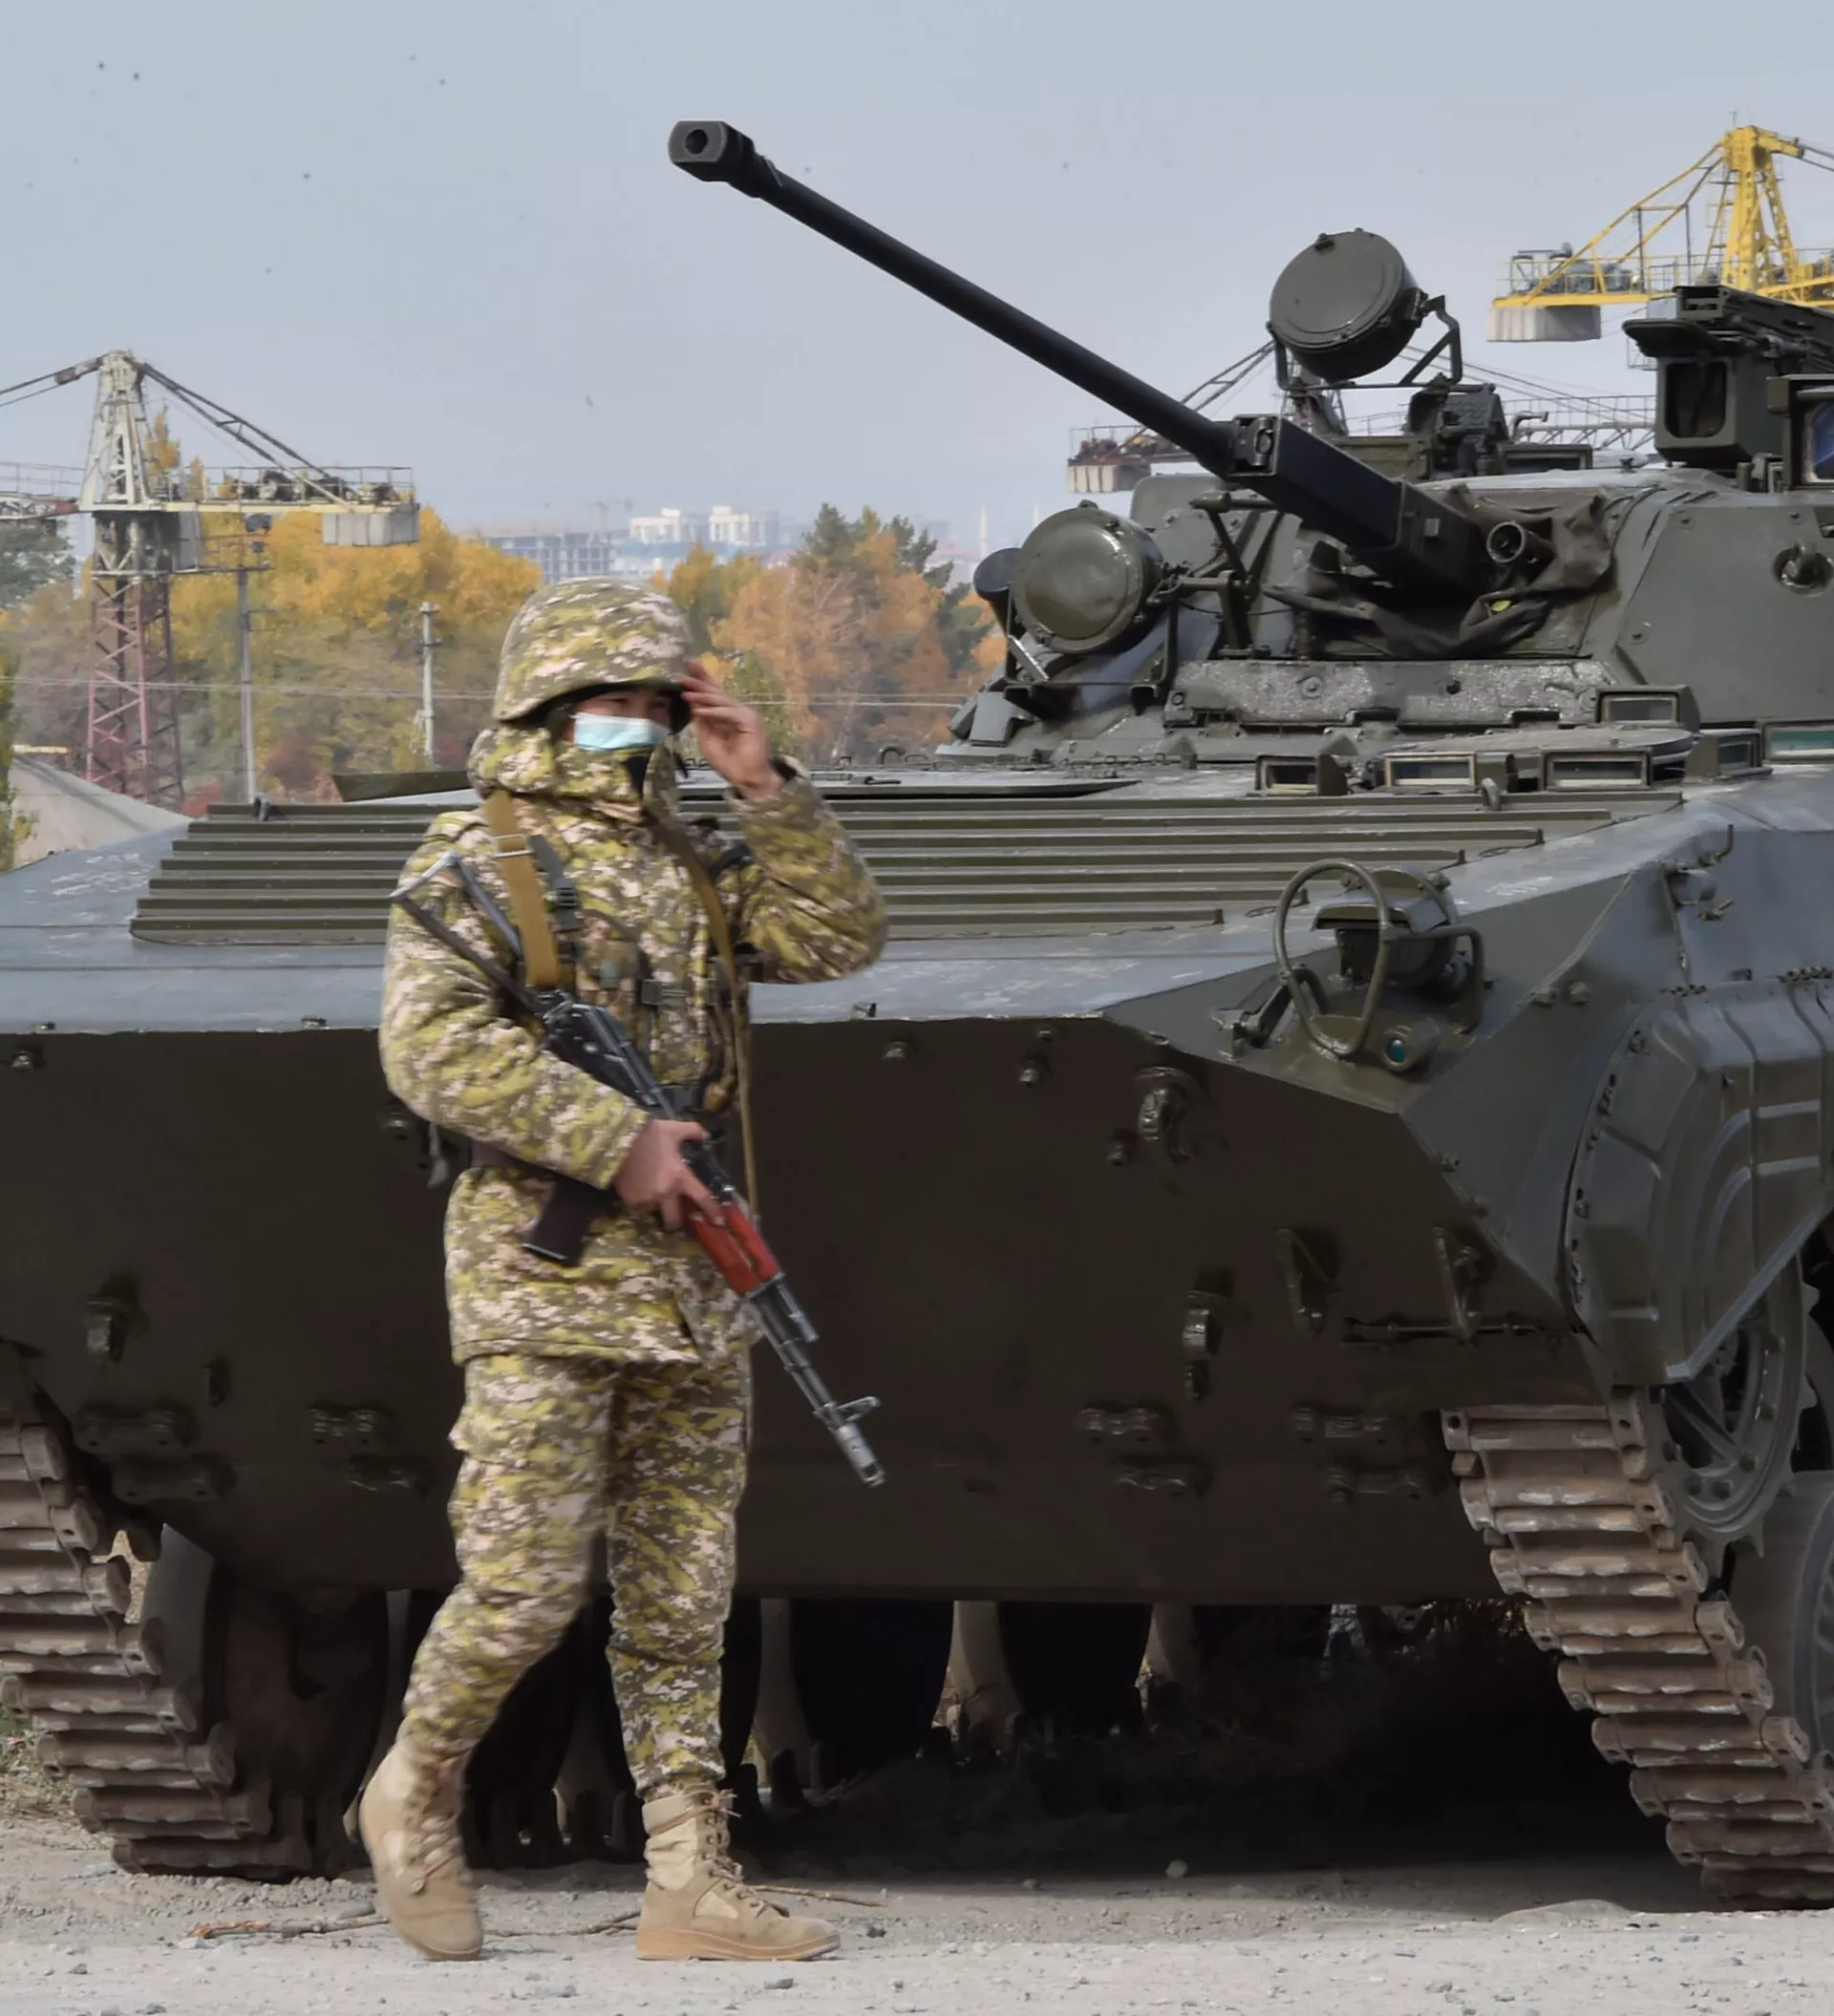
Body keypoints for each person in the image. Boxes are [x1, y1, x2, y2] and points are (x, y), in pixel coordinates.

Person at [361, 580, 885, 1963]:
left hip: (696, 1284)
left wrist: (764, 786)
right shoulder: (478, 855)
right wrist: (613, 1138)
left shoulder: (692, 859)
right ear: (546, 707)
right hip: (546, 1277)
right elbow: (431, 1049)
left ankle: (688, 1880)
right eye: (614, 700)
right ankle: (415, 1784)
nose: (640, 723)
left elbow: (837, 937)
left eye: (660, 701)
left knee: (681, 1600)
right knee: (525, 1584)